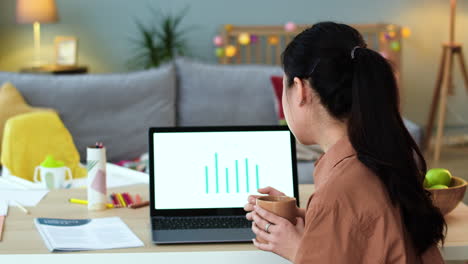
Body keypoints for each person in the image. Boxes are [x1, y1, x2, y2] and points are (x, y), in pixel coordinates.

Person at [244, 22, 446, 263]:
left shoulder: (340, 190)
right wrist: (308, 218)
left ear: (300, 90)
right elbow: (372, 229)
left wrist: (298, 249)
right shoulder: (377, 157)